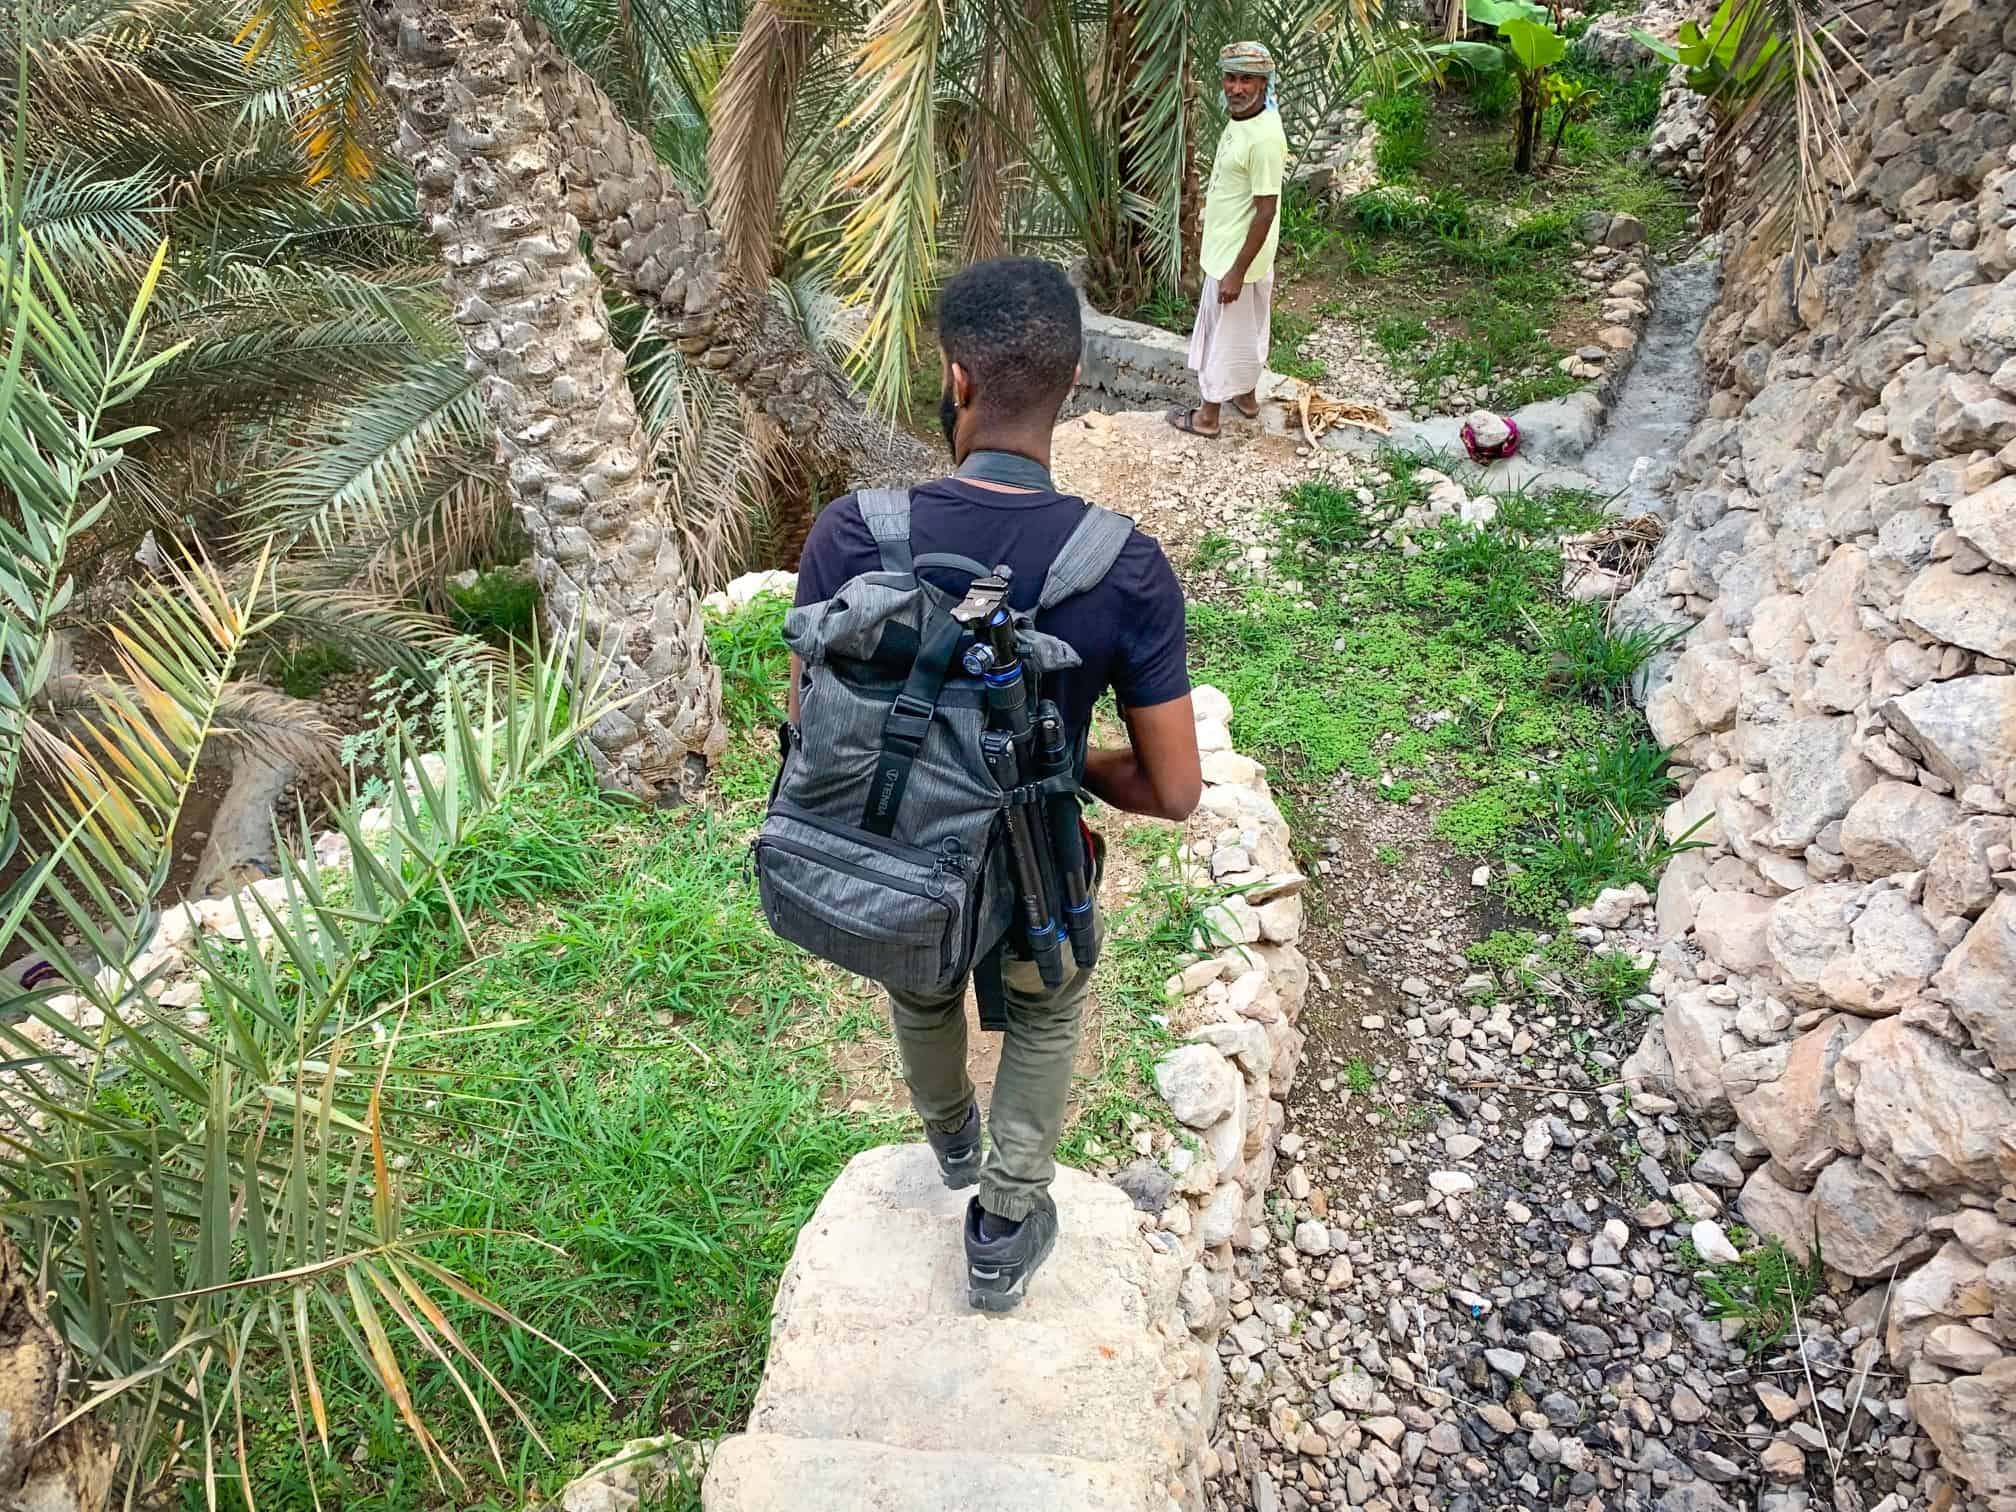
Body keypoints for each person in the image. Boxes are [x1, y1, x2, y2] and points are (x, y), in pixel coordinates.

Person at [790, 258, 1202, 1306]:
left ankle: (950, 1142)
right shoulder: (1125, 567)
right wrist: (1063, 765)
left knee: (919, 978)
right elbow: (1175, 789)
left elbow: (808, 722)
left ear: (957, 380)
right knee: (1048, 1009)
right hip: (1035, 866)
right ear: (1073, 389)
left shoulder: (853, 534)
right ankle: (1006, 1221)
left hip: (902, 852)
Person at [1168, 41, 1289, 440]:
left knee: (1225, 336)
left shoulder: (1264, 137)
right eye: (1231, 78)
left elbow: (1266, 210)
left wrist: (1236, 271)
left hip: (1237, 260)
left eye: (1247, 80)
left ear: (1264, 83)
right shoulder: (1245, 120)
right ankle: (1247, 398)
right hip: (1233, 253)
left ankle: (1207, 417)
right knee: (1247, 332)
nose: (1236, 88)